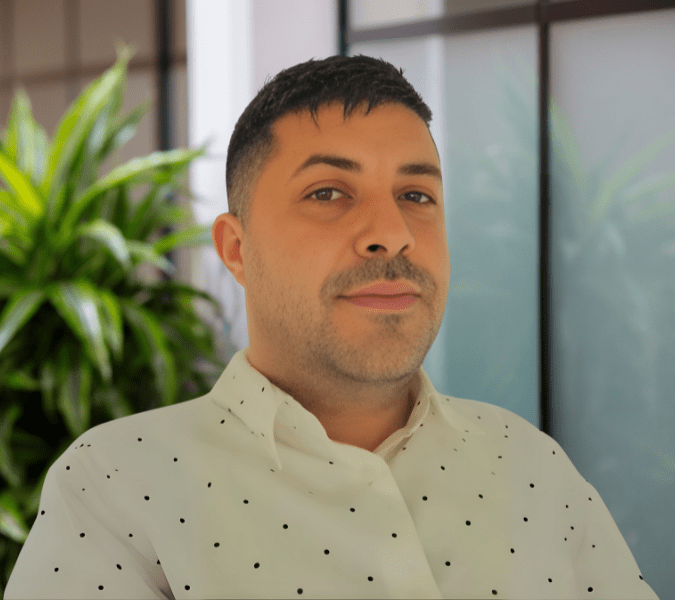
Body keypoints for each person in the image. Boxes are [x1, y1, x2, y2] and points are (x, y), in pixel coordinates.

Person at [4, 55, 659, 600]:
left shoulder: (532, 469)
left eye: (416, 196)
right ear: (236, 250)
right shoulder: (116, 487)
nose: (392, 233)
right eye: (328, 194)